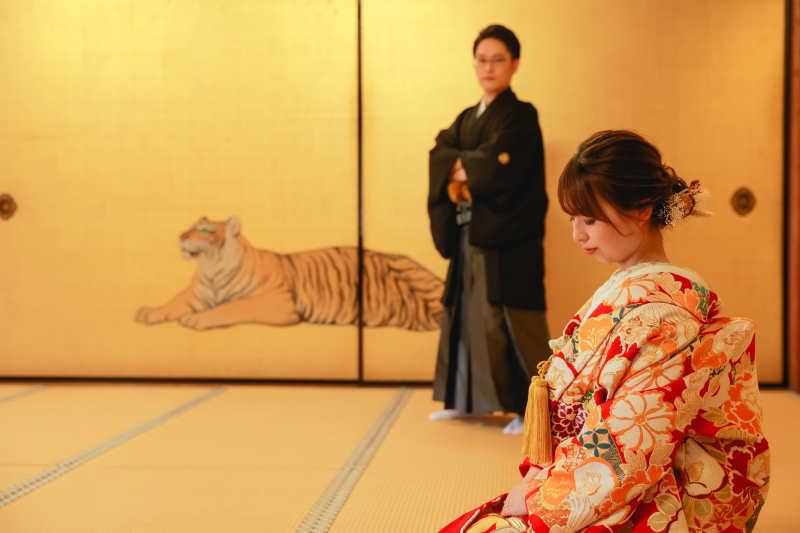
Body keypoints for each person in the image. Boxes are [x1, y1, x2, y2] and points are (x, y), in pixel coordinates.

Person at [438, 130, 770, 533]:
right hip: (588, 473)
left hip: (642, 488)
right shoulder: (627, 288)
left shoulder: (666, 317)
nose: (577, 234)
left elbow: (635, 442)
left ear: (642, 209)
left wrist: (543, 495)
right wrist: (540, 478)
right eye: (573, 219)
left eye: (589, 220)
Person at [428, 25, 551, 435]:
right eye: (482, 60)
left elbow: (501, 170)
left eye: (498, 59)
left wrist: (463, 166)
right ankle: (465, 401)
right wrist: (466, 164)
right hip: (470, 232)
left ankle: (529, 410)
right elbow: (440, 152)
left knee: (509, 322)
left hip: (508, 238)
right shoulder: (468, 118)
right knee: (465, 316)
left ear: (515, 63)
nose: (489, 67)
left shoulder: (521, 115)